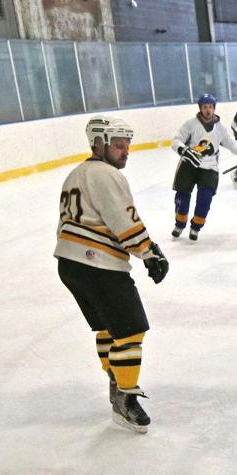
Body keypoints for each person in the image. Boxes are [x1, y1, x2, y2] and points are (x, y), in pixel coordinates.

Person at [56, 116, 170, 433]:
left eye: (127, 145)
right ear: (99, 143)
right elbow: (122, 220)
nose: (126, 151)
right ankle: (124, 400)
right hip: (97, 264)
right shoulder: (105, 175)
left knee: (107, 329)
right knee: (131, 330)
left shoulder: (75, 174)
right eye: (119, 145)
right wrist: (149, 252)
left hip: (69, 263)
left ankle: (114, 382)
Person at [170, 93, 237, 240]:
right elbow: (176, 141)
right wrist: (183, 150)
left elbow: (233, 146)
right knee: (182, 195)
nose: (208, 110)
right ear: (200, 108)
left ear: (214, 108)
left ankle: (196, 227)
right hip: (189, 165)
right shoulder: (190, 124)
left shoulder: (220, 128)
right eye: (205, 107)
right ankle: (180, 224)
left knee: (205, 198)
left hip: (210, 167)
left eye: (210, 107)